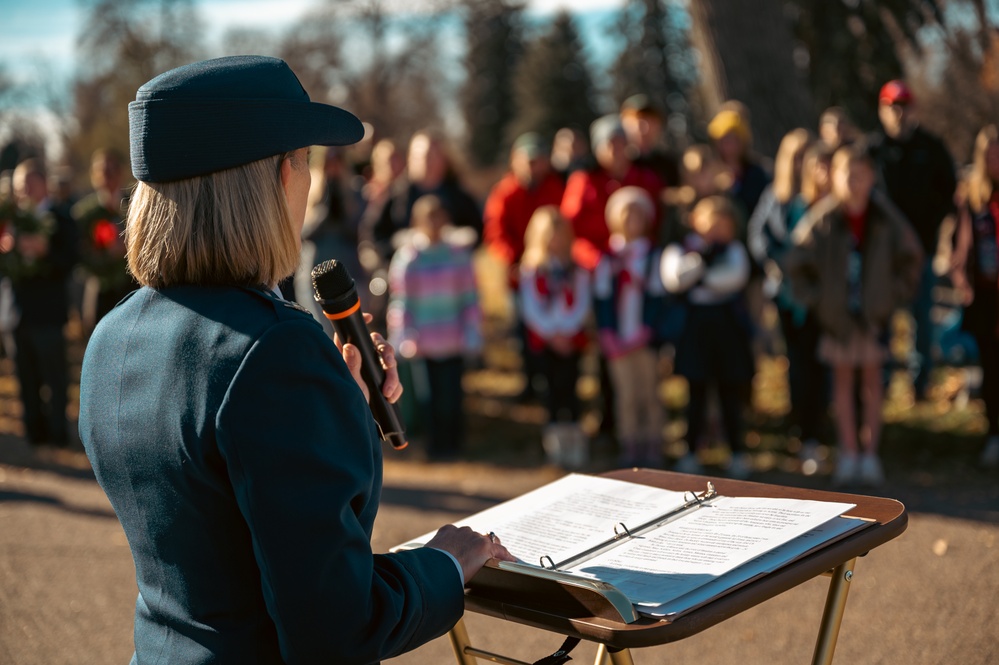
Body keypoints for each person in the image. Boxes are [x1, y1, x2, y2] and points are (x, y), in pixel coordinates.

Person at [78, 56, 512, 665]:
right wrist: (443, 564)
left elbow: (221, 515)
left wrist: (340, 408)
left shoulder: (112, 336)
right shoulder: (275, 349)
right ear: (281, 176)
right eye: (306, 161)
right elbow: (337, 625)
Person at [787, 142, 923, 487]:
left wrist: (893, 295)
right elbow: (796, 261)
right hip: (838, 318)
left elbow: (911, 255)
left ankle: (870, 453)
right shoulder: (823, 218)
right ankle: (848, 452)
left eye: (860, 175)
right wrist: (818, 300)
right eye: (846, 174)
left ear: (871, 178)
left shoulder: (884, 216)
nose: (853, 182)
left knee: (873, 383)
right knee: (843, 383)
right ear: (833, 177)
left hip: (873, 317)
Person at [869, 79, 957, 400]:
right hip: (882, 256)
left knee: (922, 321)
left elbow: (951, 197)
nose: (899, 113)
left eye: (904, 106)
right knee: (884, 323)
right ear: (882, 110)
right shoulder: (872, 151)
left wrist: (944, 239)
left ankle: (920, 388)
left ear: (913, 108)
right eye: (892, 107)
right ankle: (884, 385)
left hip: (923, 252)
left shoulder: (931, 148)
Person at [747, 129, 828, 466]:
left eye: (804, 156)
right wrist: (780, 261)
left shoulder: (821, 196)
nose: (799, 164)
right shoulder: (774, 195)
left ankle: (819, 430)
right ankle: (800, 430)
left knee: (820, 364)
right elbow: (757, 237)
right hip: (785, 295)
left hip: (820, 296)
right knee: (795, 364)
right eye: (794, 157)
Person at [661, 195, 755, 479]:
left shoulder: (735, 250)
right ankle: (690, 452)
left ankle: (737, 452)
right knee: (696, 392)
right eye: (711, 223)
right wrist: (703, 264)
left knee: (730, 392)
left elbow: (734, 278)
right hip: (695, 329)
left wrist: (700, 276)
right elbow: (674, 279)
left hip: (727, 328)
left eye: (723, 224)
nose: (716, 230)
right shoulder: (680, 249)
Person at [387, 194, 482, 461]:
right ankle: (434, 446)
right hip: (424, 342)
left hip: (453, 339)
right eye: (428, 218)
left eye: (438, 216)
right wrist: (404, 334)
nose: (434, 223)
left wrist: (472, 329)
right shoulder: (408, 258)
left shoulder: (458, 255)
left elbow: (470, 296)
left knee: (452, 395)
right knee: (428, 398)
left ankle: (455, 444)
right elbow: (402, 300)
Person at [483, 132, 565, 402]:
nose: (532, 166)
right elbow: (496, 231)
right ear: (515, 161)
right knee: (523, 332)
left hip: (555, 273)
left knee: (557, 325)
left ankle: (555, 384)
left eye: (537, 160)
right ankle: (531, 383)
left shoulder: (556, 188)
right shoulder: (505, 192)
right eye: (526, 160)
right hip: (520, 275)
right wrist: (515, 260)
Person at [2, 158, 78, 449]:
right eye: (19, 186)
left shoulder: (60, 217)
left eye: (28, 185)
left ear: (42, 184)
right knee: (25, 377)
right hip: (17, 313)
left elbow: (70, 260)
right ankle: (34, 435)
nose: (23, 192)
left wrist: (45, 251)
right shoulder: (9, 221)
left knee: (55, 378)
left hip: (48, 313)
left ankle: (58, 435)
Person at [594, 186, 667, 467]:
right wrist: (607, 333)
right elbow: (601, 300)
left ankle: (653, 443)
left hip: (644, 338)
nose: (631, 220)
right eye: (626, 214)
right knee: (625, 394)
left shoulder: (652, 256)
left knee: (649, 392)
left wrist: (648, 330)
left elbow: (659, 297)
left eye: (637, 214)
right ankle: (630, 443)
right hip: (618, 340)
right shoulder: (609, 257)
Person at [518, 206, 591, 468]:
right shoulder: (532, 270)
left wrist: (568, 332)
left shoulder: (577, 270)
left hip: (571, 342)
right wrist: (552, 334)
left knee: (571, 389)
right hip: (546, 342)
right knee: (550, 391)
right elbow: (530, 308)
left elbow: (582, 304)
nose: (555, 240)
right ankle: (555, 448)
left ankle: (576, 444)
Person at [950, 125, 999, 468]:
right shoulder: (971, 196)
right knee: (991, 369)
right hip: (986, 298)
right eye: (990, 154)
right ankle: (994, 434)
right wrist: (962, 281)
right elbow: (960, 246)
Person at [561, 114, 663, 272]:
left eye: (621, 142)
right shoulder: (583, 181)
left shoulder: (646, 178)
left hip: (644, 264)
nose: (616, 149)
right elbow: (569, 229)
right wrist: (595, 259)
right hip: (596, 267)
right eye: (609, 143)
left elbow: (658, 222)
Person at [71, 148, 135, 330]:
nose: (107, 175)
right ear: (93, 175)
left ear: (121, 172)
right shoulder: (84, 213)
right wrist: (104, 256)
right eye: (102, 170)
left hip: (131, 287)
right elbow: (79, 253)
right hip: (99, 288)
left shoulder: (135, 205)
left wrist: (129, 248)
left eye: (112, 169)